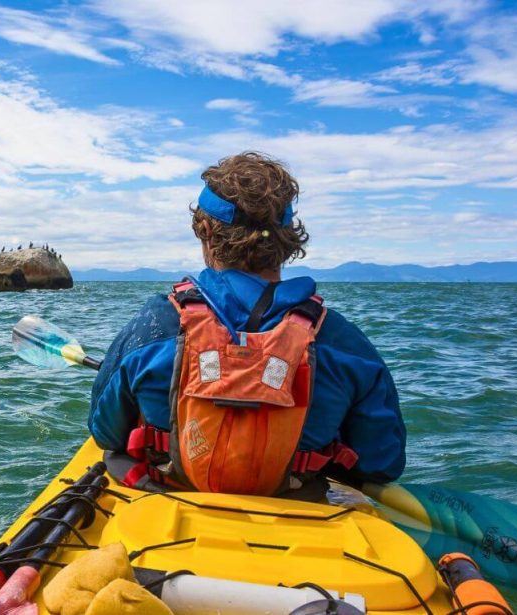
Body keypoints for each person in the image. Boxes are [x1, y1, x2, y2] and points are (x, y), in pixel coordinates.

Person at [89, 152, 405, 500]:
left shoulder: (153, 325)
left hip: (174, 504)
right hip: (297, 511)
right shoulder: (343, 342)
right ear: (287, 239)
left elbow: (105, 434)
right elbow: (382, 463)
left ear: (206, 232)